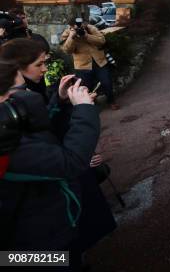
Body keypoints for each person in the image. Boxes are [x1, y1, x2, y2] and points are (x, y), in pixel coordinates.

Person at [0, 60, 100, 253]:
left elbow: (41, 133)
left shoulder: (8, 129)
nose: (28, 94)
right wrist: (84, 109)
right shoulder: (6, 149)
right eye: (21, 89)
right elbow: (72, 162)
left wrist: (60, 101)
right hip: (36, 249)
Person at [61, 17, 118, 110]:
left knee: (107, 82)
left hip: (99, 61)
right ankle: (91, 106)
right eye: (76, 26)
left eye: (82, 24)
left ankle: (111, 101)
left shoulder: (91, 28)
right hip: (82, 65)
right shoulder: (67, 33)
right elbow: (67, 50)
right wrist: (72, 37)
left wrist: (86, 36)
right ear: (71, 26)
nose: (80, 27)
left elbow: (101, 41)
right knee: (86, 88)